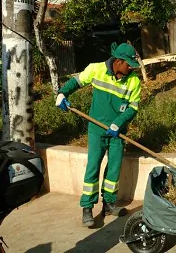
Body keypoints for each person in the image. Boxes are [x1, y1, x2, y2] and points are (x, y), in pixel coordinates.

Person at [56, 42, 141, 227]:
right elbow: (77, 81)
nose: (131, 69)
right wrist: (62, 94)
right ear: (118, 61)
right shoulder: (96, 70)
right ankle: (87, 208)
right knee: (93, 168)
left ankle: (109, 204)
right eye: (129, 65)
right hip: (96, 130)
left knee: (114, 168)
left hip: (117, 133)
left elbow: (133, 107)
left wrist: (118, 123)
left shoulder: (133, 80)